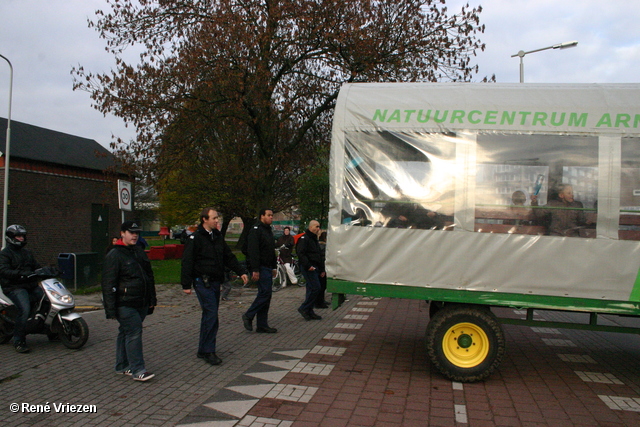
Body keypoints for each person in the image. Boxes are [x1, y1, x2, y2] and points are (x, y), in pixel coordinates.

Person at [182, 208, 248, 365]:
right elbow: (187, 261)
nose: (217, 221)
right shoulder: (195, 238)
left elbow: (228, 256)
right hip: (202, 281)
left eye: (217, 218)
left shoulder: (217, 237)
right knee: (211, 314)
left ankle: (203, 349)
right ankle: (208, 351)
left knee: (209, 315)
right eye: (214, 218)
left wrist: (240, 271)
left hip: (215, 281)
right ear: (205, 219)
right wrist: (186, 284)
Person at [102, 221, 157, 381]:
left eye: (137, 233)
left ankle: (122, 365)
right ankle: (138, 369)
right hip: (124, 303)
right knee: (134, 332)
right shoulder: (114, 255)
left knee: (125, 331)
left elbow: (149, 276)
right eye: (131, 232)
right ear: (122, 233)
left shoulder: (139, 251)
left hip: (140, 301)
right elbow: (108, 283)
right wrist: (110, 309)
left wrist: (151, 298)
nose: (134, 235)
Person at [0, 225, 43, 353]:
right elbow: (3, 270)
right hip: (14, 287)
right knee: (24, 309)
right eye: (18, 236)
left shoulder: (27, 253)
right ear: (11, 238)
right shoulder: (5, 254)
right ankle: (18, 340)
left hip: (30, 285)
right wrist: (19, 274)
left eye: (22, 236)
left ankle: (51, 331)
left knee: (46, 301)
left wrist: (48, 270)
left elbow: (36, 266)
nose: (21, 238)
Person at [242, 208, 278, 333]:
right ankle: (248, 315)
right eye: (269, 215)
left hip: (268, 266)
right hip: (261, 267)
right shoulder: (256, 230)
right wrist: (255, 269)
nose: (271, 218)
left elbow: (271, 250)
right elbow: (252, 251)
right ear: (262, 216)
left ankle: (262, 324)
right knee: (265, 293)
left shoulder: (268, 230)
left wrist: (274, 266)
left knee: (267, 295)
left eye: (272, 215)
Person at [296, 220, 324, 321]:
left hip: (315, 266)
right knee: (316, 288)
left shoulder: (313, 239)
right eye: (316, 227)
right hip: (309, 267)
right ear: (310, 227)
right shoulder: (304, 238)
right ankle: (304, 308)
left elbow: (318, 254)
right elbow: (301, 253)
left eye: (319, 227)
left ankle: (309, 311)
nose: (318, 229)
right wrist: (308, 265)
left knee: (311, 289)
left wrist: (322, 269)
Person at [315, 230, 330, 309]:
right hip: (322, 268)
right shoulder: (323, 247)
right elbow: (323, 259)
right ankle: (319, 302)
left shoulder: (318, 245)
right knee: (322, 285)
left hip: (320, 268)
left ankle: (321, 300)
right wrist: (323, 270)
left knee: (321, 285)